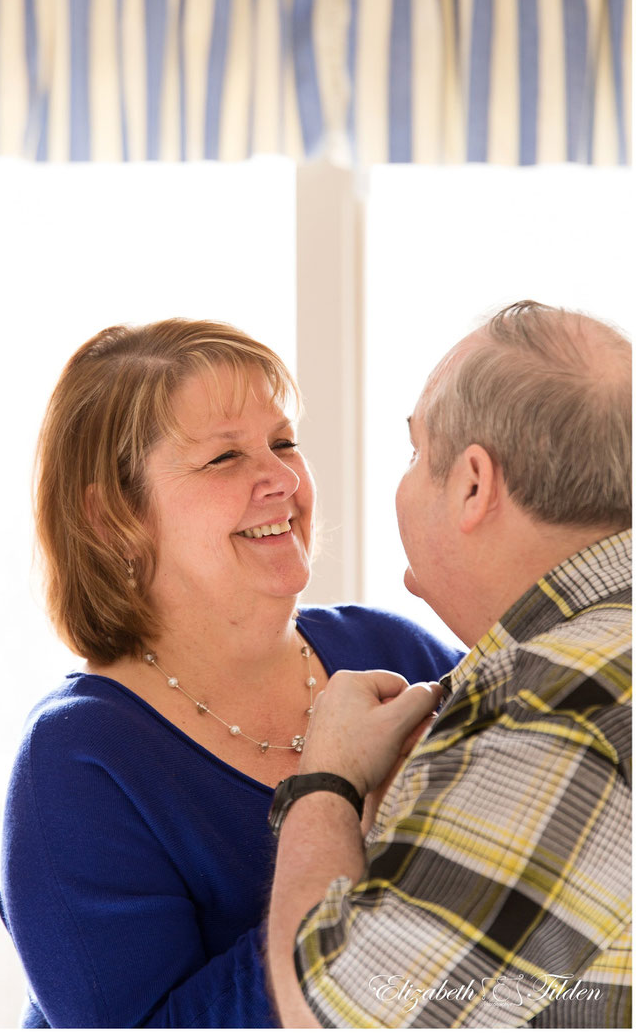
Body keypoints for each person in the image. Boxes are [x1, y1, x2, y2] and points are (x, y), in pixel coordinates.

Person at [0, 319, 461, 1029]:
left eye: (283, 442)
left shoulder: (393, 648)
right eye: (223, 458)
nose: (280, 478)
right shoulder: (76, 760)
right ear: (114, 515)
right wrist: (349, 836)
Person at [267, 300, 631, 1029]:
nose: (282, 482)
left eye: (413, 451)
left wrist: (325, 780)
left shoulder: (552, 710)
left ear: (472, 483)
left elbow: (339, 1013)